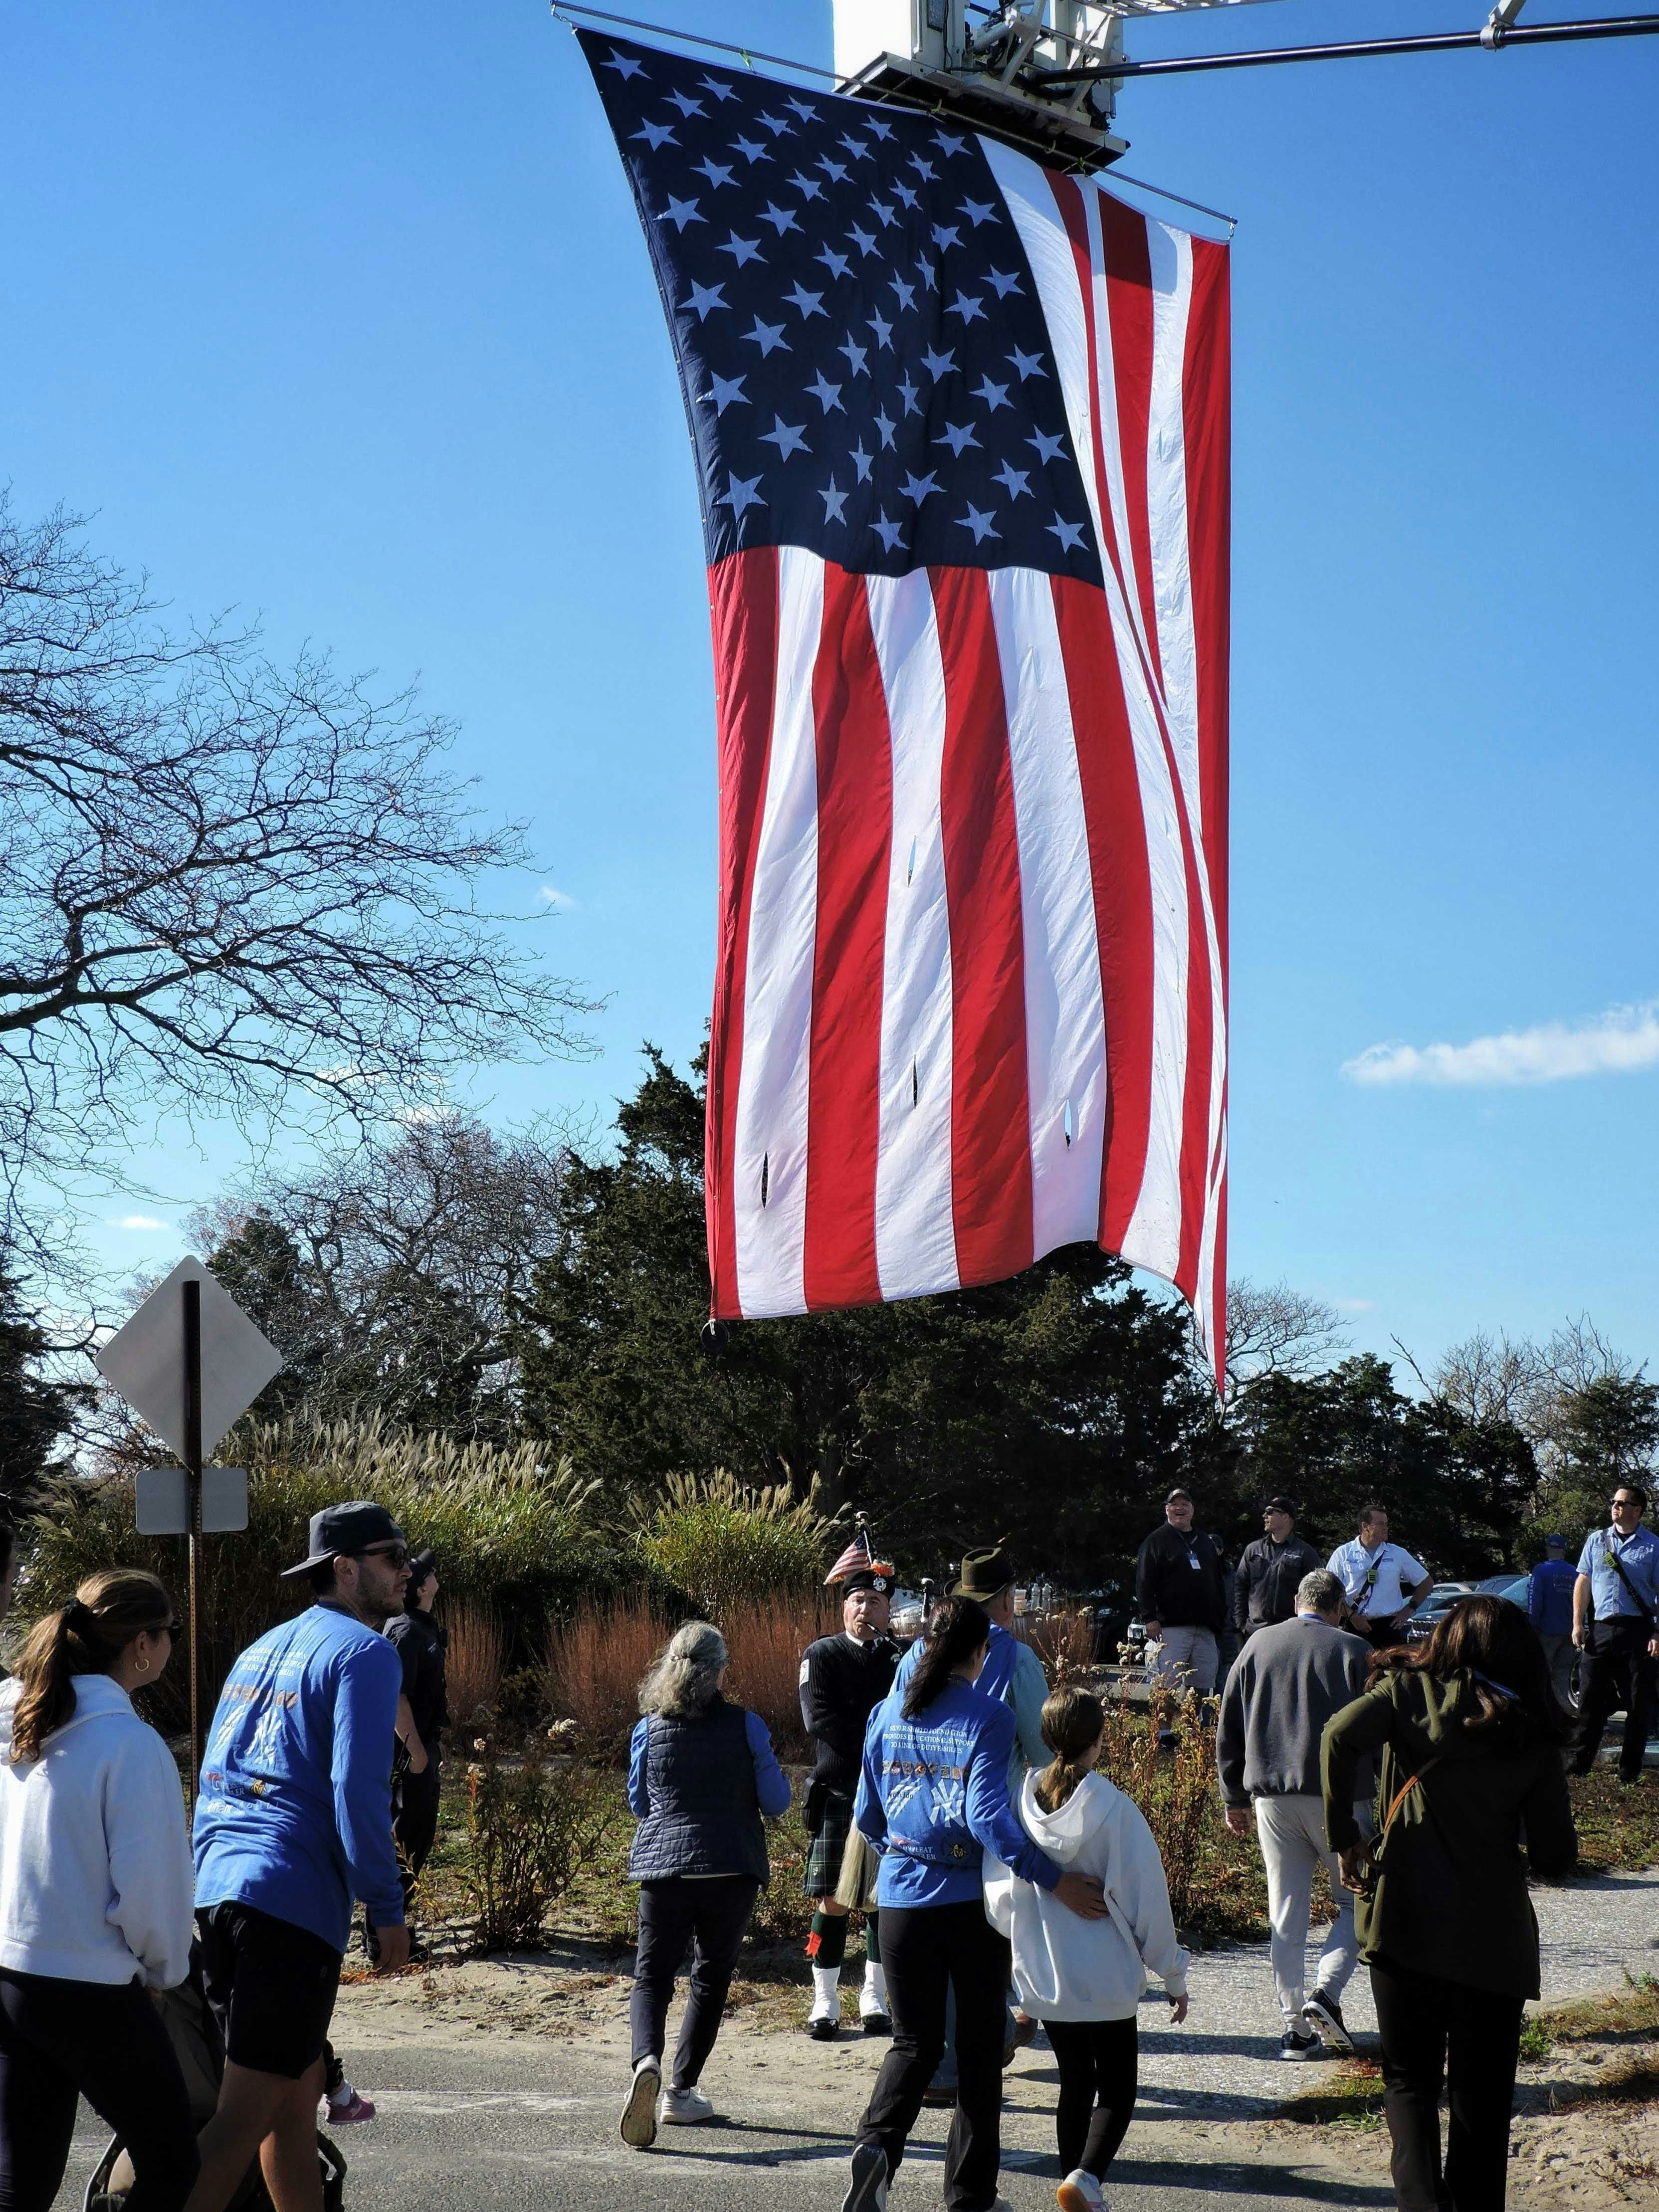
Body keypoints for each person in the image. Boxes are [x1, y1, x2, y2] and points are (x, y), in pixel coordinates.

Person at [840, 1597, 1109, 2212]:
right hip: (968, 1905)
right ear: (979, 1652)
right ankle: (969, 2196)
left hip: (901, 1902)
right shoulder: (987, 1716)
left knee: (913, 2044)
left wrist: (907, 1851)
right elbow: (986, 1813)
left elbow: (866, 1816)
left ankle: (877, 2146)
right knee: (980, 2052)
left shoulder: (885, 1712)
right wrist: (1050, 1877)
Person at [187, 1501, 411, 2212]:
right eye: (392, 1556)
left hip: (222, 1888)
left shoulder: (261, 1647)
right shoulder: (367, 1651)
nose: (408, 1571)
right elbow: (357, 1787)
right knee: (241, 2119)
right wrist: (386, 1904)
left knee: (295, 2092)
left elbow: (213, 1768)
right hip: (289, 1900)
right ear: (345, 1568)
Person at [1324, 1595, 1577, 2212]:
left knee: (1407, 2083)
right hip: (1492, 1939)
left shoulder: (1402, 1693)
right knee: (1481, 2103)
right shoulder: (1529, 1727)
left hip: (1402, 1922)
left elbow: (1335, 1736)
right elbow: (1553, 1858)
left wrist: (1344, 1838)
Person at [0, 1569, 199, 2212]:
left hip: (13, 1973)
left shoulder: (22, 1724)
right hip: (91, 1989)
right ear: (142, 1645)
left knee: (20, 2176)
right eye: (171, 1632)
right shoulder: (130, 1746)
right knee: (173, 2161)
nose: (173, 1643)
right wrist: (166, 1966)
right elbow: (151, 1889)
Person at [984, 1686, 1189, 2212]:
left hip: (1048, 1975)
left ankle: (1073, 2182)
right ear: (1097, 1741)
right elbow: (1146, 1897)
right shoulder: (1112, 1808)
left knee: (1074, 2084)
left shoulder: (1019, 1804)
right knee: (1117, 2091)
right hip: (1107, 1975)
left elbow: (1002, 1897)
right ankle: (1085, 2178)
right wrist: (1171, 1973)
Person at [620, 1620, 791, 2152]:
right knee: (710, 1978)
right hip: (729, 1866)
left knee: (651, 1975)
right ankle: (680, 2089)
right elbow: (776, 1801)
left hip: (663, 1869)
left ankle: (644, 2058)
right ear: (720, 1670)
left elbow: (638, 1803)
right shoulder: (747, 1725)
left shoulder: (648, 1728)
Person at [893, 1544, 1049, 2091]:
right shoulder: (1017, 1658)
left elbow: (891, 1723)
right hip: (988, 1824)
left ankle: (941, 2059)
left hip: (913, 1819)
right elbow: (1044, 1749)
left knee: (930, 1956)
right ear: (1006, 1601)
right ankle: (963, 2060)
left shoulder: (916, 1654)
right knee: (977, 1952)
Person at [1217, 1569, 1373, 2059]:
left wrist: (1232, 1795)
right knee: (1355, 1903)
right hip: (1341, 1799)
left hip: (1270, 1794)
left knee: (1285, 1910)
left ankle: (1293, 2031)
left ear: (1295, 1601)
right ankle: (1324, 1992)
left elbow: (1229, 1719)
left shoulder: (1259, 1644)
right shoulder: (1352, 1651)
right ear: (1339, 1606)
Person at [800, 1558, 901, 2039]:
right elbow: (819, 1719)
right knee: (832, 1899)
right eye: (858, 1600)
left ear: (889, 1609)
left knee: (884, 1901)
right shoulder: (821, 1654)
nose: (866, 1608)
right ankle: (824, 1998)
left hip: (893, 1797)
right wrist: (877, 1749)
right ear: (844, 1608)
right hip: (841, 1788)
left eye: (876, 1601)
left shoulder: (902, 1660)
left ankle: (873, 1996)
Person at [1569, 1483, 1659, 1786]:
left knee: (1637, 1702)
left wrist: (1657, 1632)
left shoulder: (1653, 1546)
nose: (1615, 1507)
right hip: (1602, 1628)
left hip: (1638, 1631)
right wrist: (1578, 1623)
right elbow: (1583, 1581)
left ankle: (1629, 1770)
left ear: (1637, 1510)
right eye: (1613, 1502)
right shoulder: (1597, 1540)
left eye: (1621, 1503)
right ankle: (1580, 1763)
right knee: (1590, 1697)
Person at [385, 1547, 448, 1888]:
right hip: (409, 1755)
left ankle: (392, 1929)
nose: (436, 1576)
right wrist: (417, 1752)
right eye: (430, 1574)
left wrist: (434, 1742)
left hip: (422, 1745)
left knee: (420, 1836)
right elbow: (396, 1695)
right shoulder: (407, 1632)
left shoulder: (422, 1626)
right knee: (408, 1838)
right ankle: (383, 1935)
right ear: (422, 1589)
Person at [1135, 1489, 1228, 1696]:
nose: (1180, 1509)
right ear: (1167, 1510)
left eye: (1185, 1504)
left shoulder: (1205, 1542)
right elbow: (1144, 1582)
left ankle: (1193, 1727)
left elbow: (1217, 1581)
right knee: (1166, 1685)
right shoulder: (1156, 1541)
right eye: (1175, 1505)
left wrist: (1220, 1618)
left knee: (1201, 1687)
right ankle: (1164, 1730)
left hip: (1205, 1628)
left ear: (1193, 1511)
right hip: (1170, 1628)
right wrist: (1150, 1618)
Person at [1327, 1505, 1432, 1651]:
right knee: (1356, 1672)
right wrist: (1352, 1616)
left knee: (1392, 1673)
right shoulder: (1343, 1554)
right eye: (1381, 1524)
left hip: (1388, 1628)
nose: (1386, 1528)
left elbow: (1426, 1582)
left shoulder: (1397, 1554)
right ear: (1366, 1527)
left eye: (1387, 1524)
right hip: (1353, 1625)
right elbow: (1330, 1590)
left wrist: (1408, 1610)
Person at [1232, 1498, 1322, 1642]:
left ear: (1286, 1517)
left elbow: (1315, 1594)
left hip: (1290, 1634)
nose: (1264, 1516)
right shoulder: (1253, 1550)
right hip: (1254, 1633)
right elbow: (1240, 1587)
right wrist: (1240, 1625)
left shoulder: (1306, 1553)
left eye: (1270, 1512)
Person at [1525, 1536, 1578, 1710]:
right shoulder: (1575, 1572)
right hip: (1569, 1632)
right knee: (1563, 1677)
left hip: (1546, 1632)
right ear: (1564, 1551)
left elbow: (1535, 1602)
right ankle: (1563, 1714)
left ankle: (1541, 1713)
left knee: (1540, 1675)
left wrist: (1532, 1626)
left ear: (1548, 1549)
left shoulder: (1541, 1571)